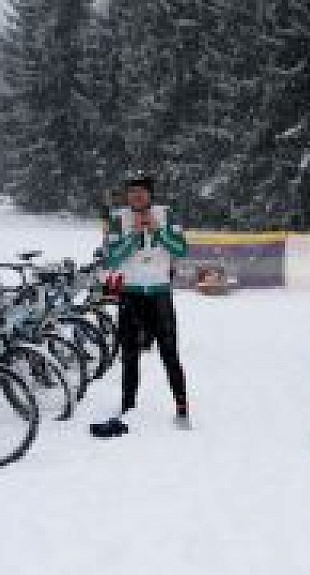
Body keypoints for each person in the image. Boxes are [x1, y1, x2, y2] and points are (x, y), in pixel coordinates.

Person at [103, 171, 190, 424]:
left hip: (159, 293)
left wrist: (158, 231)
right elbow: (111, 257)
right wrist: (133, 237)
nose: (137, 196)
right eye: (132, 192)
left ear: (150, 195)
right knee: (129, 355)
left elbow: (181, 249)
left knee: (169, 353)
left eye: (141, 192)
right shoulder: (118, 218)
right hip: (131, 294)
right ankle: (128, 406)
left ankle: (182, 408)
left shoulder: (166, 214)